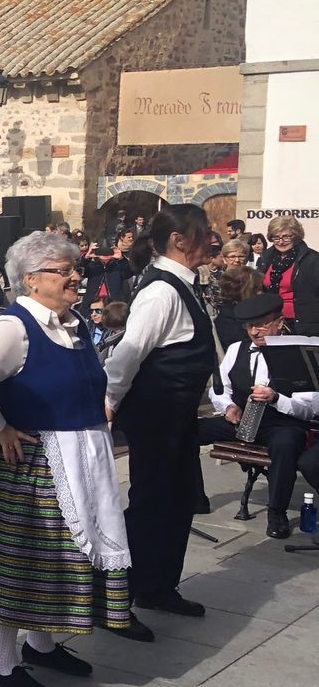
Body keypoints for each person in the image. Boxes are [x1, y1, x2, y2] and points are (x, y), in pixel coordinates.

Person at [0, 232, 140, 687]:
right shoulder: (14, 325)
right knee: (22, 562)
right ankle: (4, 663)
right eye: (63, 270)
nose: (74, 276)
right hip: (33, 460)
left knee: (58, 563)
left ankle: (42, 643)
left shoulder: (73, 323)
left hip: (80, 454)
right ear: (31, 279)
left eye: (74, 268)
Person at [104, 204, 217, 620]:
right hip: (157, 415)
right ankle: (119, 598)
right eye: (204, 232)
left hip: (178, 415)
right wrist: (110, 402)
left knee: (180, 500)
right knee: (151, 503)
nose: (213, 238)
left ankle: (158, 586)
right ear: (179, 240)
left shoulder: (184, 283)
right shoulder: (161, 291)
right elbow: (127, 354)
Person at [197, 292, 319, 539]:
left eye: (262, 325)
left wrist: (276, 398)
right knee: (187, 430)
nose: (254, 331)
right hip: (243, 420)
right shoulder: (236, 349)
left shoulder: (296, 350)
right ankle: (194, 495)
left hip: (282, 424)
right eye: (250, 326)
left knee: (285, 446)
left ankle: (277, 513)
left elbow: (310, 408)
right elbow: (219, 390)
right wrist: (228, 407)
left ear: (279, 322)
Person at [258, 215, 319, 334]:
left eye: (286, 237)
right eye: (276, 237)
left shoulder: (313, 259)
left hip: (302, 322)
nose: (281, 241)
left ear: (296, 236)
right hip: (271, 321)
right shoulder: (266, 257)